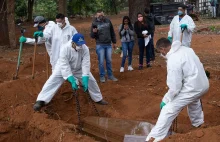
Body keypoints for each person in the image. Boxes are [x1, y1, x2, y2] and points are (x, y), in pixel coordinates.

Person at [146, 38, 209, 142]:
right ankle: (198, 124)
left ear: (162, 49)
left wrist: (166, 100)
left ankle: (154, 138)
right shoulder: (186, 49)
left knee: (168, 109)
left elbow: (175, 87)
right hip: (203, 84)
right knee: (194, 100)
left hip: (193, 87)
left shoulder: (173, 60)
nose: (161, 54)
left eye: (160, 52)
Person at [33, 33, 108, 111]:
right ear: (73, 42)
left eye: (81, 44)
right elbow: (65, 66)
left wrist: (85, 77)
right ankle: (41, 100)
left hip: (78, 68)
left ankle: (98, 98)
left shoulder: (85, 48)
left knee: (91, 81)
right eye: (78, 44)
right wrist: (71, 80)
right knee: (52, 81)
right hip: (62, 67)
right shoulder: (65, 48)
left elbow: (86, 63)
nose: (80, 46)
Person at [90, 10, 118, 83]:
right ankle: (102, 76)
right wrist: (94, 32)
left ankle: (110, 75)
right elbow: (92, 36)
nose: (100, 16)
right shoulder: (94, 23)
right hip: (100, 44)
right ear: (96, 16)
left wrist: (114, 42)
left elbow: (112, 32)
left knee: (109, 60)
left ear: (104, 14)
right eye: (99, 15)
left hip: (108, 44)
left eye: (102, 15)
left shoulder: (108, 21)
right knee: (101, 61)